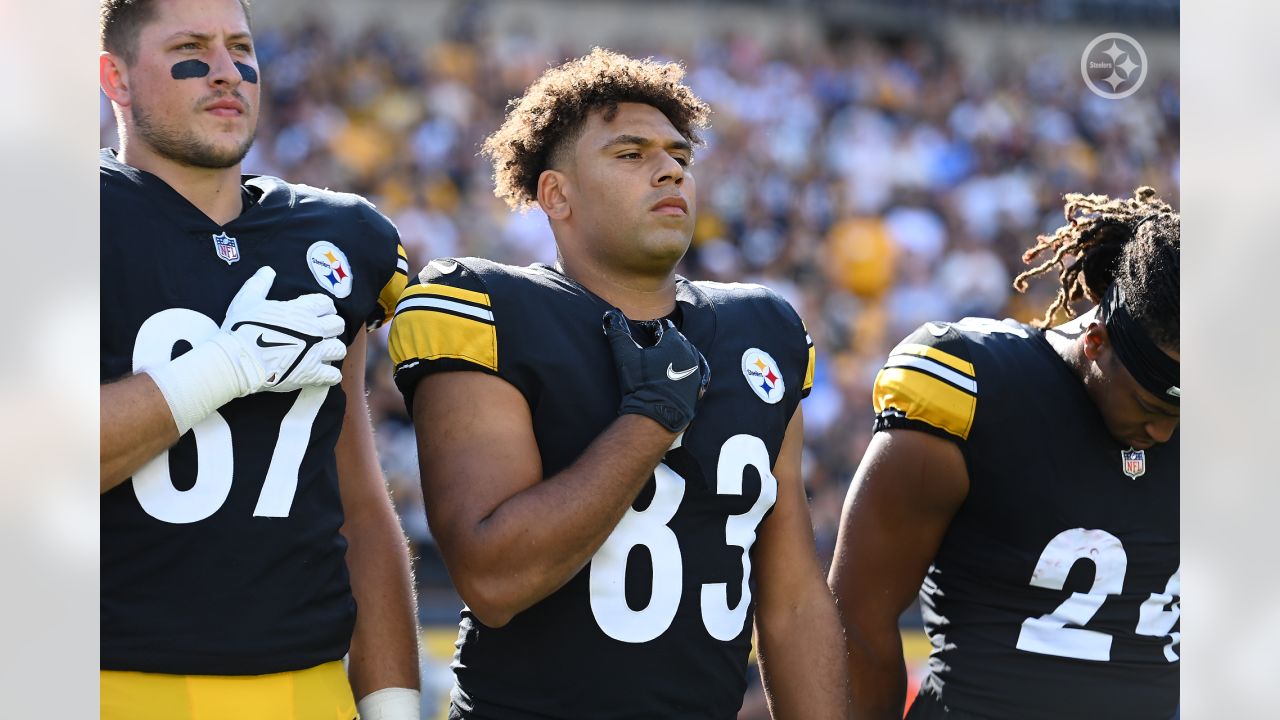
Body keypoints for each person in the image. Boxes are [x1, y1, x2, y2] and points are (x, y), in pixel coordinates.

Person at [387, 48, 848, 719]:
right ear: (557, 194)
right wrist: (653, 417)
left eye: (679, 157)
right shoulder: (488, 308)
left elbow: (793, 599)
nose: (668, 169)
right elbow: (494, 577)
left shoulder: (762, 328)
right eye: (630, 154)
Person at [98, 1, 420, 718]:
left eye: (240, 47)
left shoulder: (339, 235)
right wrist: (223, 367)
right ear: (115, 77)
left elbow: (360, 504)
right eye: (190, 47)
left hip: (306, 686)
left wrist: (393, 706)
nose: (225, 70)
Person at [828, 186, 1180, 720]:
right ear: (1097, 341)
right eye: (1150, 405)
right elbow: (856, 620)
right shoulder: (976, 389)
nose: (1166, 431)